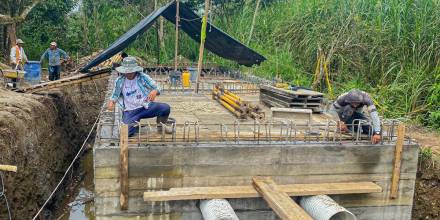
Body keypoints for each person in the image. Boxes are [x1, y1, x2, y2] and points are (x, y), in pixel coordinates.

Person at [107, 57, 173, 136]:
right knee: (126, 133)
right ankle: (135, 124)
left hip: (145, 107)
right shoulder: (120, 81)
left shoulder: (142, 77)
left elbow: (157, 87)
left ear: (135, 70)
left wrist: (155, 91)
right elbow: (115, 94)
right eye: (127, 71)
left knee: (165, 108)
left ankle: (160, 126)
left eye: (131, 71)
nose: (129, 73)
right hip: (130, 111)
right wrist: (112, 102)